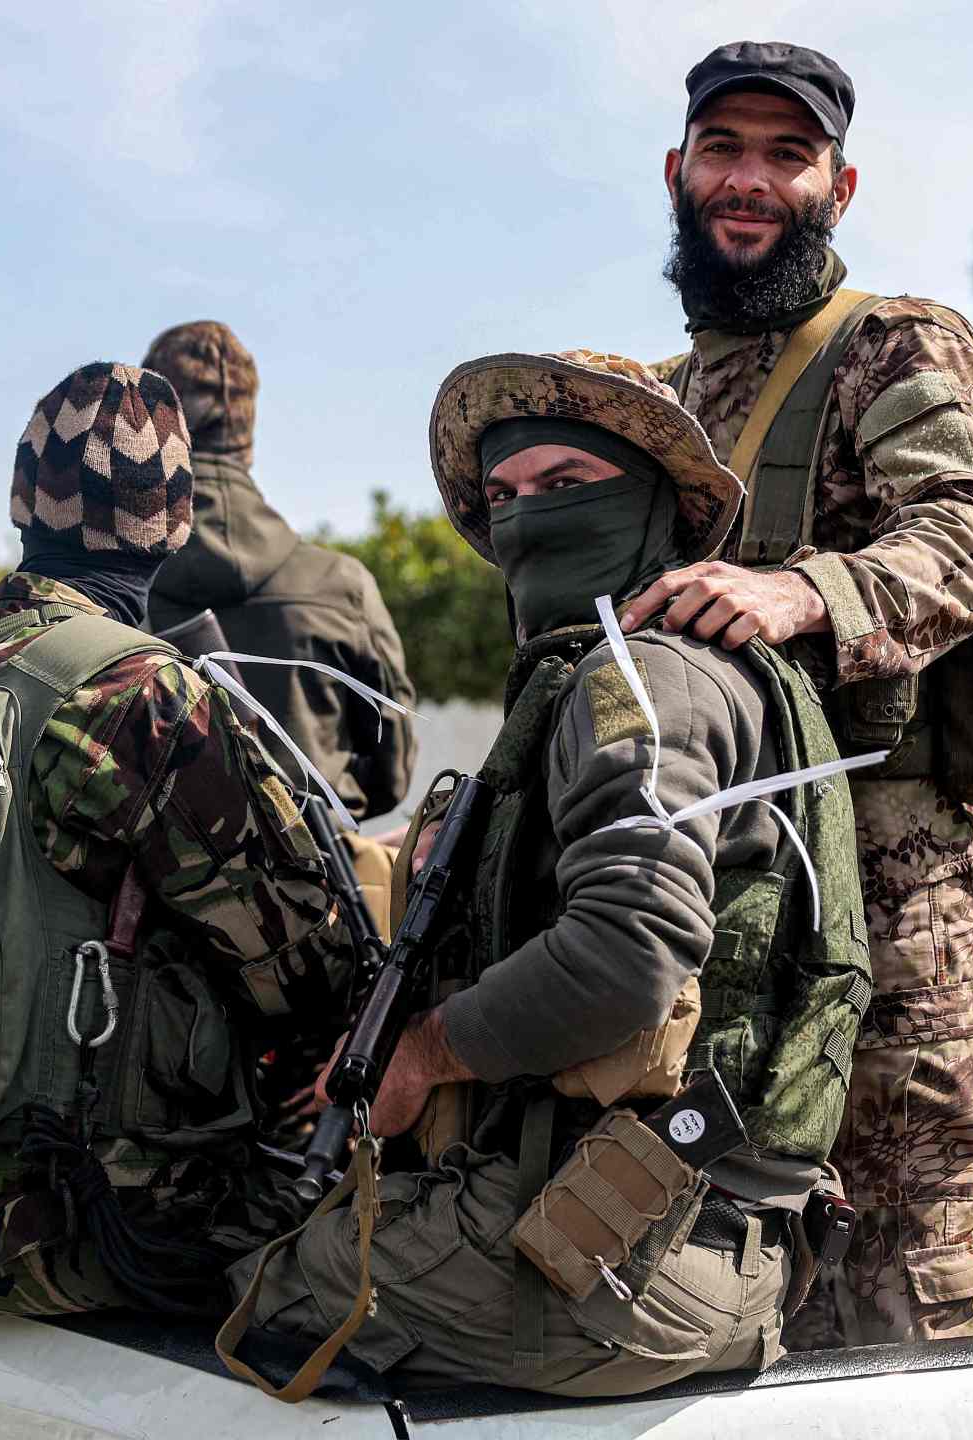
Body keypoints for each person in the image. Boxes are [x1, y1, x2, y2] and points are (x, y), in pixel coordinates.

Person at [220, 351, 871, 1397]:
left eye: (566, 484)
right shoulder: (668, 671)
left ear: (653, 504)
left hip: (630, 1253)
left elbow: (627, 953)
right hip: (681, 1222)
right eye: (504, 495)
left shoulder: (639, 681)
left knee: (247, 1290)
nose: (527, 517)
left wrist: (422, 1056)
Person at [623, 40, 973, 1342]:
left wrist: (804, 593)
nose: (750, 180)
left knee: (917, 1294)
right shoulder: (657, 402)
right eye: (724, 150)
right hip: (721, 910)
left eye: (786, 156)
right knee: (738, 1292)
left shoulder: (890, 348)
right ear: (678, 171)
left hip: (891, 914)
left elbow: (960, 548)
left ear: (838, 188)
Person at [0, 363, 339, 1318]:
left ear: (21, 503)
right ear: (176, 525)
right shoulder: (142, 692)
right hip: (88, 1223)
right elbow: (302, 963)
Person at [145, 320, 417, 822]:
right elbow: (392, 771)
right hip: (320, 862)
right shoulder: (342, 584)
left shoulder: (108, 596)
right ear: (247, 430)